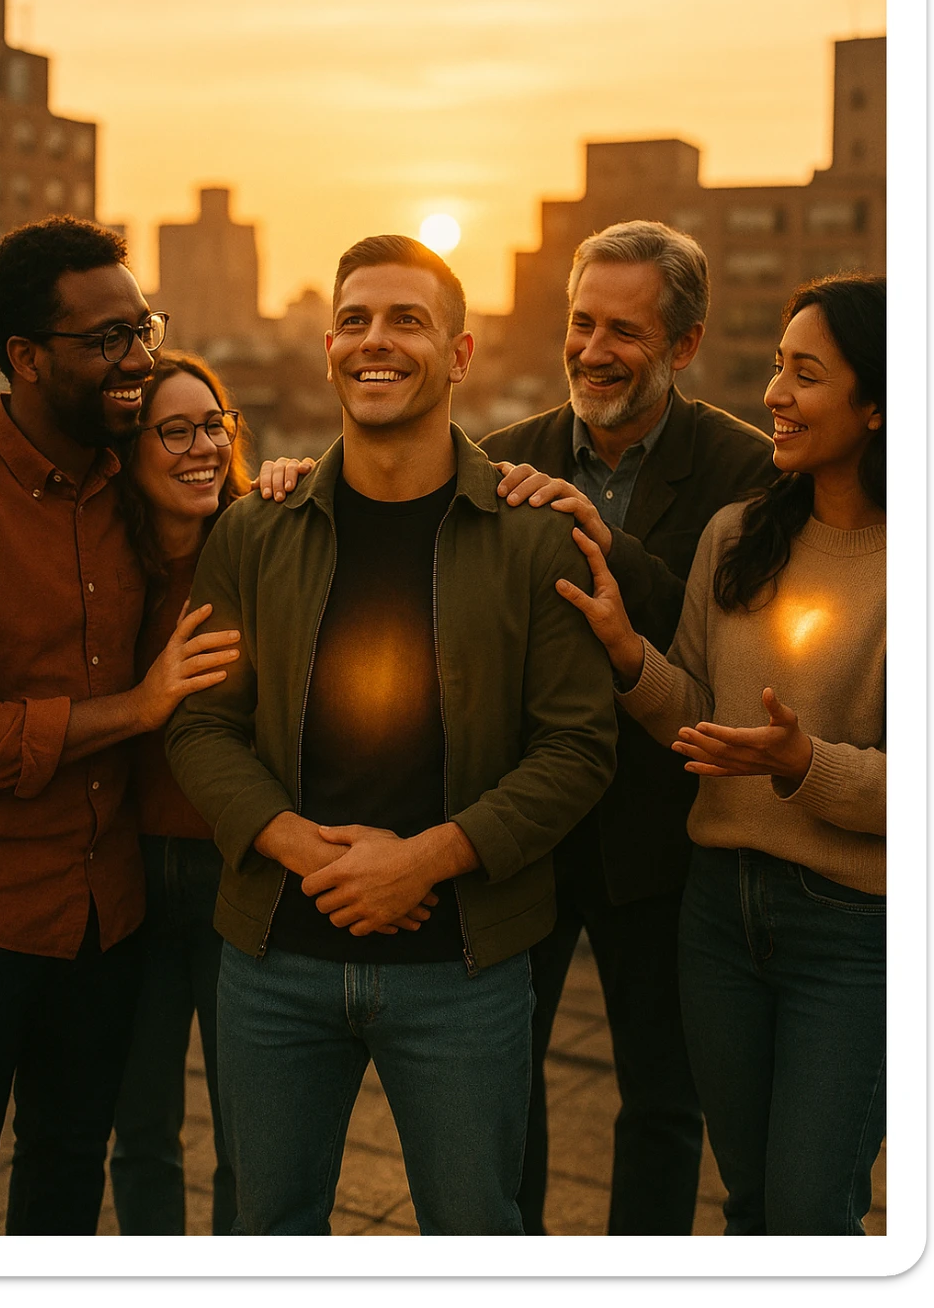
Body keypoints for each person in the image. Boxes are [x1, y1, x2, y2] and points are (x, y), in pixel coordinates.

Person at [255, 219, 777, 1235]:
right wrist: (285, 480)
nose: (593, 350)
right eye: (582, 323)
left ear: (684, 344)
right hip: (512, 838)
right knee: (504, 1090)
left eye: (624, 331)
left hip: (660, 840)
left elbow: (728, 649)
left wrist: (599, 537)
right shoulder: (502, 456)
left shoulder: (745, 471)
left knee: (662, 1102)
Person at [165, 234, 618, 1236]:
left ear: (459, 355)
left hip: (466, 967)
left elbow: (578, 749)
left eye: (407, 319)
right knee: (268, 1230)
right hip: (275, 959)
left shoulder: (531, 535)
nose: (375, 340)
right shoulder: (254, 529)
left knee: (476, 1230)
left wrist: (423, 861)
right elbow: (200, 725)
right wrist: (303, 849)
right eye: (355, 320)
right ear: (328, 347)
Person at [559, 275, 886, 1235]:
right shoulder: (738, 534)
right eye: (778, 368)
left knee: (809, 1210)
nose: (775, 394)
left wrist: (804, 763)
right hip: (717, 915)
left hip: (856, 930)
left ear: (877, 405)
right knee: (748, 1203)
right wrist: (630, 654)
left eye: (807, 375)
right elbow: (699, 715)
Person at [0, 216, 241, 1236]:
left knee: (69, 1175)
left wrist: (282, 483)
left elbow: (210, 491)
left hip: (109, 917)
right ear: (27, 357)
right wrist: (137, 707)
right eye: (107, 339)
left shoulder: (132, 479)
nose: (137, 359)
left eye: (142, 329)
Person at [109, 351, 251, 1236]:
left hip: (237, 874)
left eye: (214, 425)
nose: (203, 446)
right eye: (174, 431)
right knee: (141, 1130)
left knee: (250, 1133)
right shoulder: (104, 565)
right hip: (126, 875)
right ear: (130, 449)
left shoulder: (260, 546)